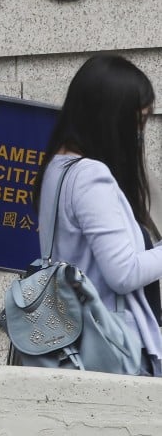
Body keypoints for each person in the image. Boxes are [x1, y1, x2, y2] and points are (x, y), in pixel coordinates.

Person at [34, 54, 162, 376]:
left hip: (79, 339)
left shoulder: (58, 167)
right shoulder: (91, 176)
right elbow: (124, 273)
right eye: (138, 121)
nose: (140, 133)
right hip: (115, 346)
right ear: (111, 117)